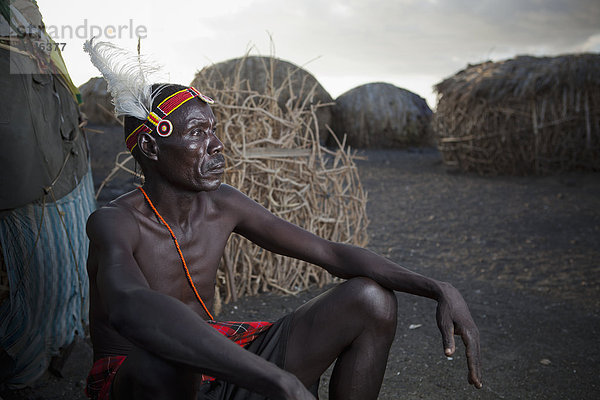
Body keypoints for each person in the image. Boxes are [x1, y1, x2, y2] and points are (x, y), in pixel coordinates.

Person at [83, 40, 482, 400]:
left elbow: (329, 252)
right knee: (167, 354)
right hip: (144, 380)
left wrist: (436, 287)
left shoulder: (223, 204)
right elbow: (131, 306)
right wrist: (278, 379)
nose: (218, 145)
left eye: (215, 130)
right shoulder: (114, 223)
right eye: (198, 132)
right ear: (151, 146)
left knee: (371, 299)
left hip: (218, 363)